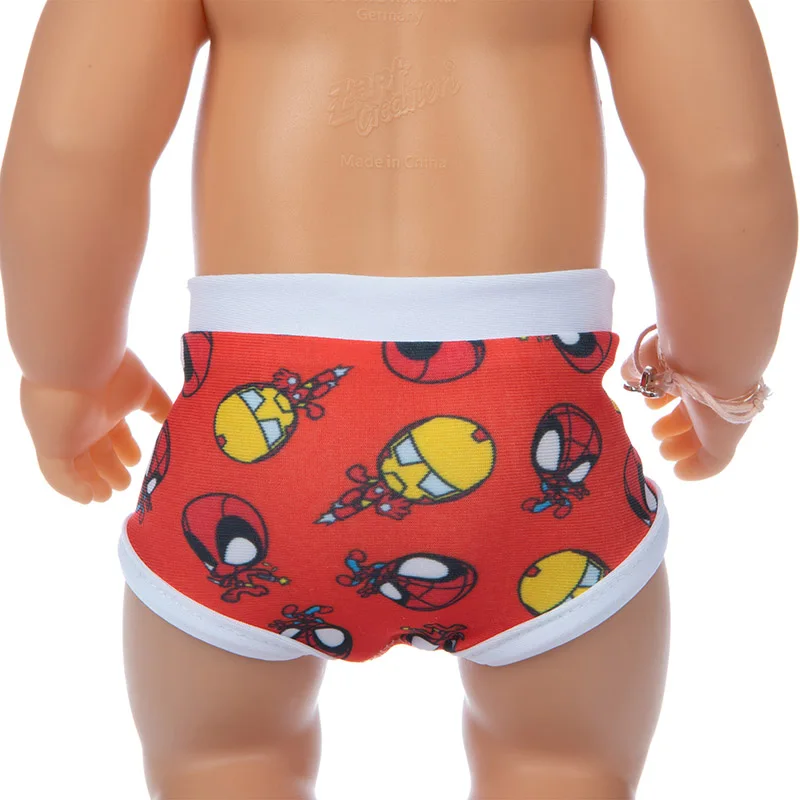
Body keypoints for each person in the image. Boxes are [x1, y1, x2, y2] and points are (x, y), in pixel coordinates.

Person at [0, 1, 795, 798]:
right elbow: (727, 167)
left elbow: (72, 148)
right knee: (562, 768)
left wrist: (66, 371)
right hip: (531, 439)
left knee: (221, 762)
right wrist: (718, 379)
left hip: (255, 435)